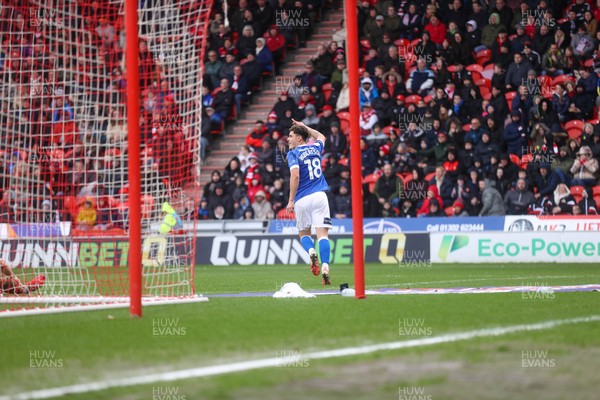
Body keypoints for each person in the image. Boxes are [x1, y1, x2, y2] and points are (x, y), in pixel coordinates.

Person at [286, 119, 332, 285]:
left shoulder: (293, 154)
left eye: (290, 136)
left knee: (304, 234)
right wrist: (304, 126)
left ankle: (312, 252)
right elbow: (321, 136)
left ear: (299, 138)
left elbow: (295, 175)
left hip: (302, 199)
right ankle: (325, 267)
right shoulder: (315, 148)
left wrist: (290, 200)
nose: (288, 139)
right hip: (320, 196)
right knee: (323, 235)